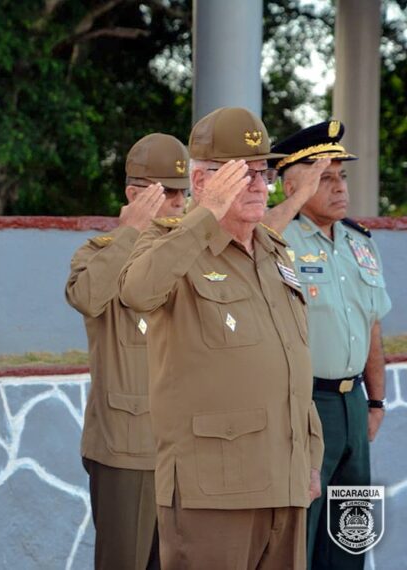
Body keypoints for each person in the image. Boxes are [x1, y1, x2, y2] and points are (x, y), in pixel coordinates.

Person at [118, 107, 325, 569]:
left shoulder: (274, 252)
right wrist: (206, 214)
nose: (258, 184)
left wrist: (309, 458)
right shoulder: (169, 244)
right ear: (201, 182)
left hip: (284, 484)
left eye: (262, 171)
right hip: (213, 493)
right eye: (240, 173)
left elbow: (293, 359)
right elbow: (138, 292)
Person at [263, 121, 391, 570]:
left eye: (341, 177)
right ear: (293, 185)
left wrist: (376, 401)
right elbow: (244, 240)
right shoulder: (277, 239)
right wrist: (294, 199)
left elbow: (371, 325)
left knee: (349, 531)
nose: (340, 188)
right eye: (325, 177)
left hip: (352, 405)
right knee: (302, 532)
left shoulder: (360, 244)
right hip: (305, 405)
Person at [66, 132, 188, 570]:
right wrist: (131, 230)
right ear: (135, 193)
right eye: (166, 191)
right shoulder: (101, 252)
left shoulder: (193, 253)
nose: (178, 201)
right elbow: (86, 297)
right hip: (127, 447)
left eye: (182, 191)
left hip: (187, 449)